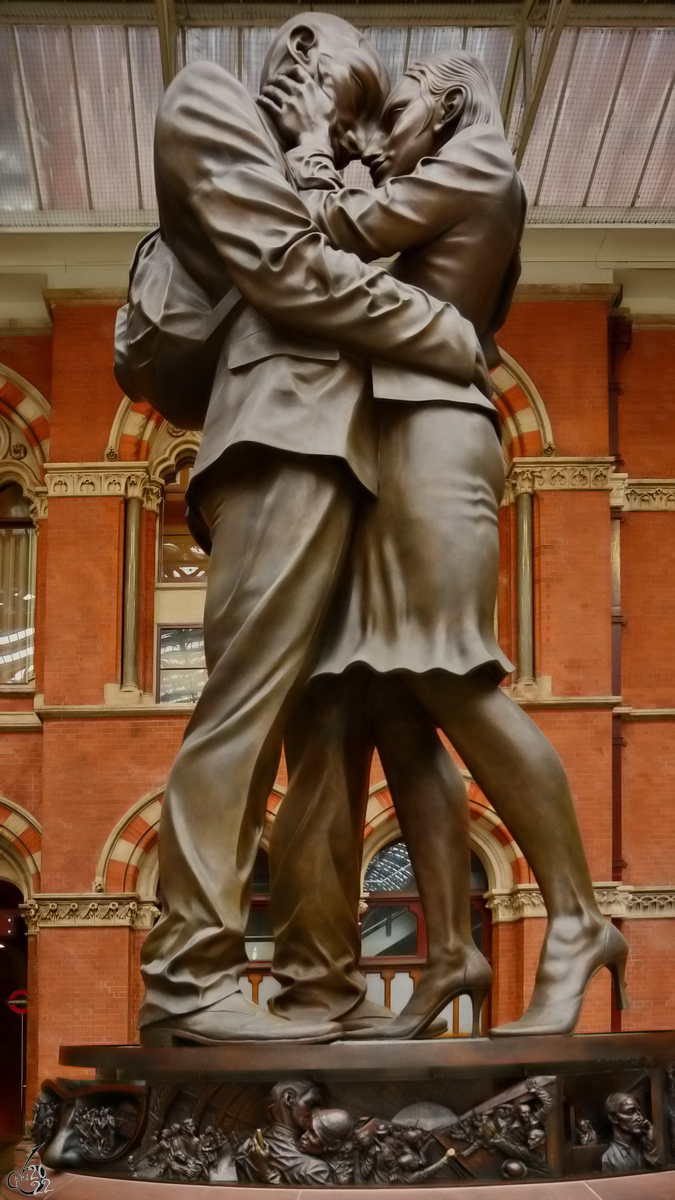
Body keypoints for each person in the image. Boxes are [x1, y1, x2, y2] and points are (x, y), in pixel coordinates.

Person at [136, 14, 489, 1047]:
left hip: (358, 455)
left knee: (330, 731)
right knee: (244, 704)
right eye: (353, 86)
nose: (367, 125)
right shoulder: (206, 101)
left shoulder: (319, 158)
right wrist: (445, 333)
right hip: (279, 437)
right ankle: (189, 972)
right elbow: (284, 266)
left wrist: (327, 157)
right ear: (297, 58)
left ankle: (318, 985)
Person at [262, 49, 628, 1038]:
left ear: (453, 99)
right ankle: (457, 954)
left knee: (455, 676)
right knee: (393, 698)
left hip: (437, 433)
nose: (385, 129)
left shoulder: (480, 164)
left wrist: (314, 147)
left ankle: (579, 920)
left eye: (404, 104)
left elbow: (340, 233)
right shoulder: (447, 173)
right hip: (397, 433)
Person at [601, 1093, 660, 1174]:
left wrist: (650, 1145)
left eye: (639, 1111)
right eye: (631, 1111)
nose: (640, 1118)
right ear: (613, 1118)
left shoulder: (643, 1148)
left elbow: (660, 1175)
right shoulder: (608, 1158)